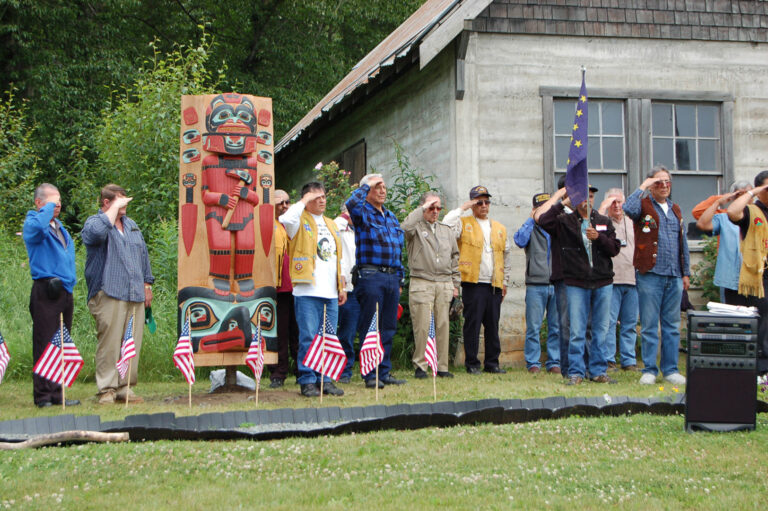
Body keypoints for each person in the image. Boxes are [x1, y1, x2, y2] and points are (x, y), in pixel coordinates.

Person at [535, 185, 620, 385]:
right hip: (575, 282)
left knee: (600, 329)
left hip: (602, 281)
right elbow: (542, 220)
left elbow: (614, 248)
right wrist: (563, 201)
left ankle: (598, 371)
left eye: (590, 196)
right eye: (583, 196)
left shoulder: (603, 221)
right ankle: (576, 372)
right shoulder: (565, 221)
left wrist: (598, 238)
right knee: (576, 330)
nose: (587, 200)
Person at [81, 184, 153, 404]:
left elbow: (143, 255)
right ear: (106, 202)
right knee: (110, 342)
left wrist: (147, 284)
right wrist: (113, 210)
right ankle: (107, 389)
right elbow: (95, 236)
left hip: (134, 293)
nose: (126, 204)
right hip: (109, 291)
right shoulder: (95, 223)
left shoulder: (131, 226)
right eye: (121, 200)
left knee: (131, 341)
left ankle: (125, 387)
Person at [623, 166, 689, 385]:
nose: (664, 186)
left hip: (674, 274)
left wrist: (685, 272)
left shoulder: (676, 209)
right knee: (650, 325)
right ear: (651, 185)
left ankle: (670, 370)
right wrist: (643, 185)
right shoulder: (642, 206)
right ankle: (649, 369)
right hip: (650, 273)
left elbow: (683, 244)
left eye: (667, 182)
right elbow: (627, 208)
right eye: (658, 182)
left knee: (672, 325)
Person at [280, 182, 346, 397]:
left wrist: (342, 285)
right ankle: (307, 380)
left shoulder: (331, 223)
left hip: (331, 290)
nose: (322, 200)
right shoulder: (298, 221)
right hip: (307, 289)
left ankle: (325, 379)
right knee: (308, 337)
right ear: (306, 199)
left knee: (328, 337)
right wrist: (302, 201)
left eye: (323, 196)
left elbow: (339, 256)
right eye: (316, 197)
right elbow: (285, 219)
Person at [345, 174, 406, 389]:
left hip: (391, 276)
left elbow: (399, 250)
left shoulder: (391, 217)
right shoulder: (362, 213)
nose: (382, 190)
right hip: (370, 276)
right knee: (370, 325)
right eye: (376, 187)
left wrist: (400, 278)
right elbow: (350, 203)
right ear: (367, 189)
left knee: (388, 326)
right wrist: (366, 184)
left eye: (384, 187)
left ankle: (384, 371)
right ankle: (370, 373)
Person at [22, 183, 80, 408]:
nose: (58, 205)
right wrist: (46, 209)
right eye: (52, 201)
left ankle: (58, 393)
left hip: (64, 289)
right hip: (46, 289)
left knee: (62, 343)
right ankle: (43, 395)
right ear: (39, 203)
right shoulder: (34, 223)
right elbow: (37, 229)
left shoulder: (60, 227)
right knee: (45, 342)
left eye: (59, 201)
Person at [443, 186, 511, 375]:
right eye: (478, 202)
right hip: (473, 282)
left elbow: (506, 255)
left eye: (486, 202)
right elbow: (446, 224)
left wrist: (504, 281)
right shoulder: (463, 223)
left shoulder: (499, 228)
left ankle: (492, 363)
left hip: (494, 284)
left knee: (492, 325)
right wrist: (463, 207)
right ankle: (472, 363)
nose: (483, 205)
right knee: (472, 324)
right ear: (472, 204)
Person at [402, 192, 460, 379]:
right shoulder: (415, 227)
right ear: (423, 208)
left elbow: (455, 258)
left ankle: (442, 366)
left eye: (438, 208)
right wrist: (422, 209)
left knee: (443, 324)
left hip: (444, 282)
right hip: (422, 281)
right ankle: (421, 365)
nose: (435, 211)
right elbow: (404, 228)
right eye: (431, 208)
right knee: (423, 325)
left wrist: (455, 284)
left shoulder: (446, 230)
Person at [513, 192, 560, 374]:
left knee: (555, 326)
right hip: (536, 283)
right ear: (534, 209)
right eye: (541, 208)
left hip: (556, 283)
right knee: (533, 326)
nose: (545, 212)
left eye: (548, 207)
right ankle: (533, 362)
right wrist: (531, 219)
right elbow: (519, 240)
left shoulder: (557, 226)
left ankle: (554, 361)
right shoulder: (530, 227)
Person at [726, 170, 768, 375]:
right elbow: (732, 212)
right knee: (762, 318)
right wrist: (753, 193)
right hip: (760, 275)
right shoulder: (752, 210)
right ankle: (761, 367)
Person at [598, 188, 638, 371]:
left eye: (619, 201)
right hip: (612, 280)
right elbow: (591, 226)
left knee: (630, 323)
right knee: (609, 323)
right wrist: (603, 207)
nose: (617, 205)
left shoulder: (632, 222)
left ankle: (629, 360)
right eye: (612, 202)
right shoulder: (604, 223)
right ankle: (609, 359)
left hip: (632, 279)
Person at [692, 181, 752, 303]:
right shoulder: (724, 217)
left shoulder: (759, 216)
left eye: (749, 194)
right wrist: (720, 200)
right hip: (730, 278)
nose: (745, 198)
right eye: (742, 194)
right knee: (731, 318)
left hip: (754, 279)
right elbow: (698, 214)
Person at [268, 190, 300, 388]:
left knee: (299, 331)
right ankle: (278, 373)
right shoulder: (266, 225)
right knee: (279, 332)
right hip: (277, 287)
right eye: (280, 202)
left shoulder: (292, 225)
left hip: (298, 286)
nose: (285, 206)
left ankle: (302, 370)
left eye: (288, 202)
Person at [335, 204, 363, 383]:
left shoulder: (361, 230)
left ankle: (351, 369)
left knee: (354, 332)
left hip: (360, 287)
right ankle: (338, 370)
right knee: (341, 331)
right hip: (342, 287)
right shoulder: (338, 226)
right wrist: (344, 217)